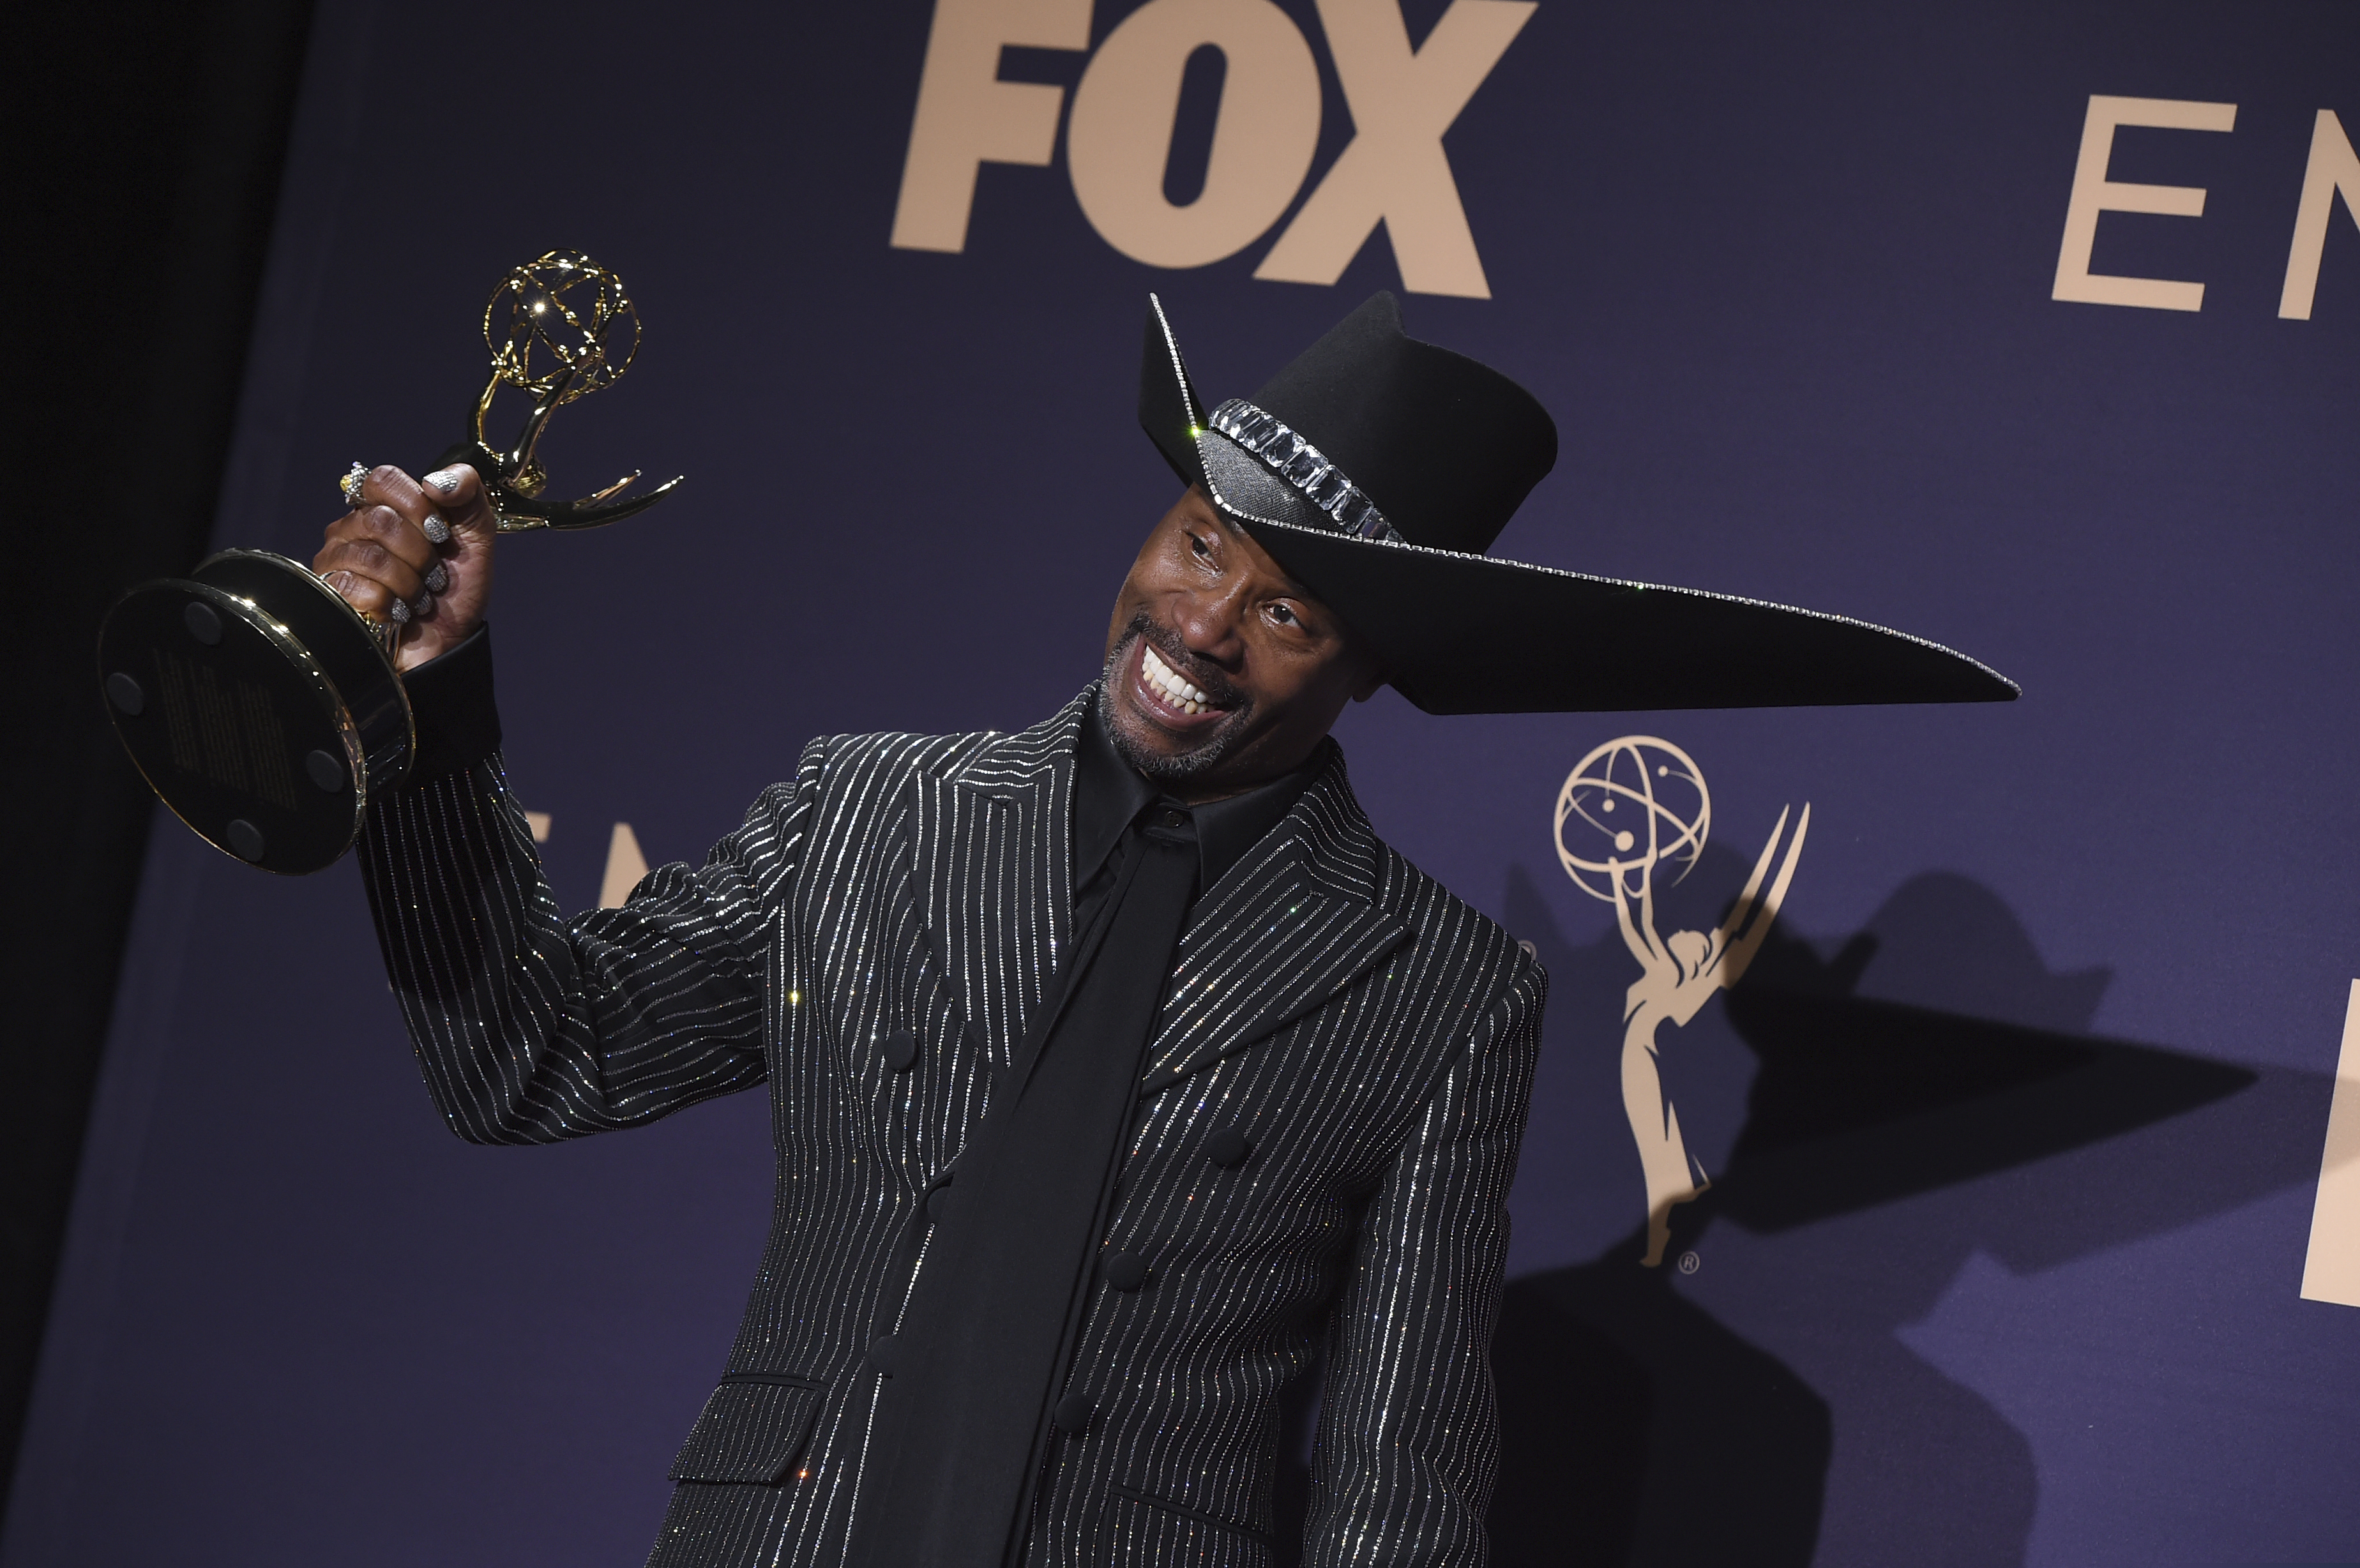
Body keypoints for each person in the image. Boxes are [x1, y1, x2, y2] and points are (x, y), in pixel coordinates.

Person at [312, 292, 2012, 1567]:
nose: (1202, 623)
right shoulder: (871, 812)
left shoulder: (1438, 992)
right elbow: (537, 1061)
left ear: (1367, 668)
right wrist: (427, 718)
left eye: (1287, 609)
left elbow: (1398, 1471)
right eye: (1202, 544)